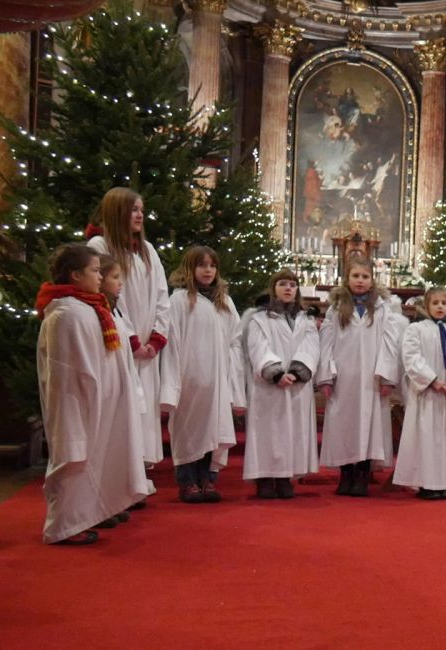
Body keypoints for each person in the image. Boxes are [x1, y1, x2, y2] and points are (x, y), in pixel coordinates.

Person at [36, 244, 149, 545]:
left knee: (97, 455)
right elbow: (66, 368)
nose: (100, 277)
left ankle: (91, 512)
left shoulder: (91, 307)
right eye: (95, 271)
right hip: (77, 400)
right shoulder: (65, 314)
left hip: (100, 398)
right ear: (75, 275)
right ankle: (64, 525)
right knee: (74, 456)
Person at [87, 187, 170, 472]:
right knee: (124, 406)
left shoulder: (147, 250)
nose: (140, 215)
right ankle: (121, 471)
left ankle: (141, 469)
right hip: (120, 341)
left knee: (145, 408)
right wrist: (131, 338)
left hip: (148, 347)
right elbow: (110, 296)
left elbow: (162, 296)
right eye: (134, 209)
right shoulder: (100, 245)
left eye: (141, 210)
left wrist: (156, 339)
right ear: (118, 211)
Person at [159, 246, 245, 504]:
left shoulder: (224, 301)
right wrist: (172, 384)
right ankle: (187, 481)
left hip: (217, 380)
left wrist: (232, 379)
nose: (208, 270)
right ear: (190, 268)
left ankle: (207, 479)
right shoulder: (180, 300)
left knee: (214, 429)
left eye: (212, 266)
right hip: (190, 378)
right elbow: (172, 342)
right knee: (189, 430)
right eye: (202, 265)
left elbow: (235, 340)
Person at [315, 256, 407, 497]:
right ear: (347, 279)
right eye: (355, 276)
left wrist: (387, 377)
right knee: (344, 425)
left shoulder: (382, 309)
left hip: (371, 379)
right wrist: (326, 376)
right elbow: (326, 343)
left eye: (365, 276)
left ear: (372, 280)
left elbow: (390, 343)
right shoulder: (336, 309)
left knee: (369, 425)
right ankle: (346, 474)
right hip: (343, 378)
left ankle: (363, 475)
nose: (360, 280)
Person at [243, 270, 320, 499]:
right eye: (283, 284)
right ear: (273, 288)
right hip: (269, 385)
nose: (288, 288)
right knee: (269, 432)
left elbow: (311, 346)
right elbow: (257, 346)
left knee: (292, 431)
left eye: (293, 285)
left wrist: (297, 371)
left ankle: (285, 477)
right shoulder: (260, 319)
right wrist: (275, 373)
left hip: (296, 384)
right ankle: (265, 478)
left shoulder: (305, 319)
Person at [393, 287, 446, 499]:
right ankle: (426, 483)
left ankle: (445, 481)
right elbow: (411, 357)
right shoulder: (416, 329)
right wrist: (433, 381)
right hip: (427, 393)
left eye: (444, 303)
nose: (440, 307)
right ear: (426, 306)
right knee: (427, 438)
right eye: (435, 303)